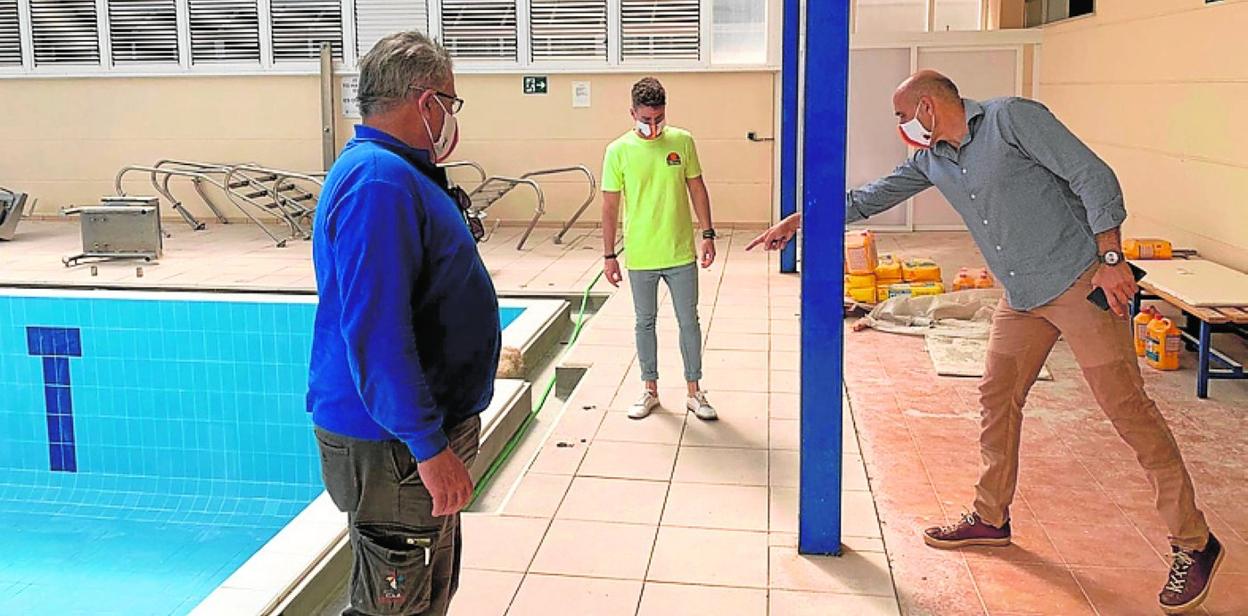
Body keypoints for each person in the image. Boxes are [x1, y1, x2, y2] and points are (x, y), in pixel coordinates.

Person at [748, 70, 1223, 614]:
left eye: (903, 116)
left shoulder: (1012, 119)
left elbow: (1095, 176)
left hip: (1079, 283)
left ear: (927, 107)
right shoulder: (934, 159)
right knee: (997, 399)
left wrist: (1112, 258)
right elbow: (868, 197)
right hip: (1021, 296)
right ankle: (990, 518)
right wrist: (799, 221)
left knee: (1128, 412)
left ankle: (1195, 542)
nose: (902, 126)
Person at [307, 31, 499, 616]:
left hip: (410, 437)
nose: (451, 118)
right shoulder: (378, 183)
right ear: (426, 102)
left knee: (424, 592)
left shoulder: (393, 172)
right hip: (393, 444)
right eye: (450, 102)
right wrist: (427, 445)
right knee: (395, 603)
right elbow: (379, 333)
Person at [601, 77, 719, 421]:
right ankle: (649, 389)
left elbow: (697, 189)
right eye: (646, 119)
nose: (653, 127)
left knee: (689, 322)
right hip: (641, 254)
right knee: (644, 322)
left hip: (680, 251)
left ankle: (695, 392)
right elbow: (609, 207)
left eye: (659, 119)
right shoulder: (618, 151)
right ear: (632, 113)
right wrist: (609, 255)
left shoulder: (682, 142)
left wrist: (708, 234)